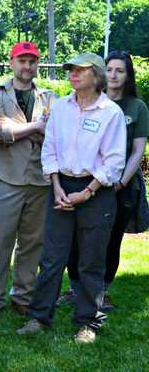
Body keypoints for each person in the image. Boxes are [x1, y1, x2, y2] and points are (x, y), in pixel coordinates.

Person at [16, 53, 126, 345]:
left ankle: (88, 322)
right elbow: (49, 148)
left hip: (96, 191)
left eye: (80, 70)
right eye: (71, 70)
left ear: (97, 76)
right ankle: (39, 317)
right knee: (51, 259)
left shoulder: (110, 112)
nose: (73, 74)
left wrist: (86, 192)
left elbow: (114, 162)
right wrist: (57, 187)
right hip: (61, 187)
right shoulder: (62, 108)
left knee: (91, 261)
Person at [57, 51, 149, 312]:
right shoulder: (86, 101)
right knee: (76, 239)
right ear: (101, 72)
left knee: (109, 241)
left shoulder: (136, 107)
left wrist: (120, 182)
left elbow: (137, 151)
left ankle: (101, 290)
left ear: (128, 75)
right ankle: (75, 288)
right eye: (109, 69)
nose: (113, 75)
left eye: (120, 70)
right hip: (84, 183)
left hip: (120, 187)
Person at [0, 42, 57, 318]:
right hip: (6, 179)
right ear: (11, 62)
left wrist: (16, 130)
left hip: (39, 180)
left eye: (32, 62)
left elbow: (55, 134)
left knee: (32, 245)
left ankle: (23, 298)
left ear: (37, 65)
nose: (27, 67)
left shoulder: (49, 97)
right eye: (22, 61)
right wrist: (37, 127)